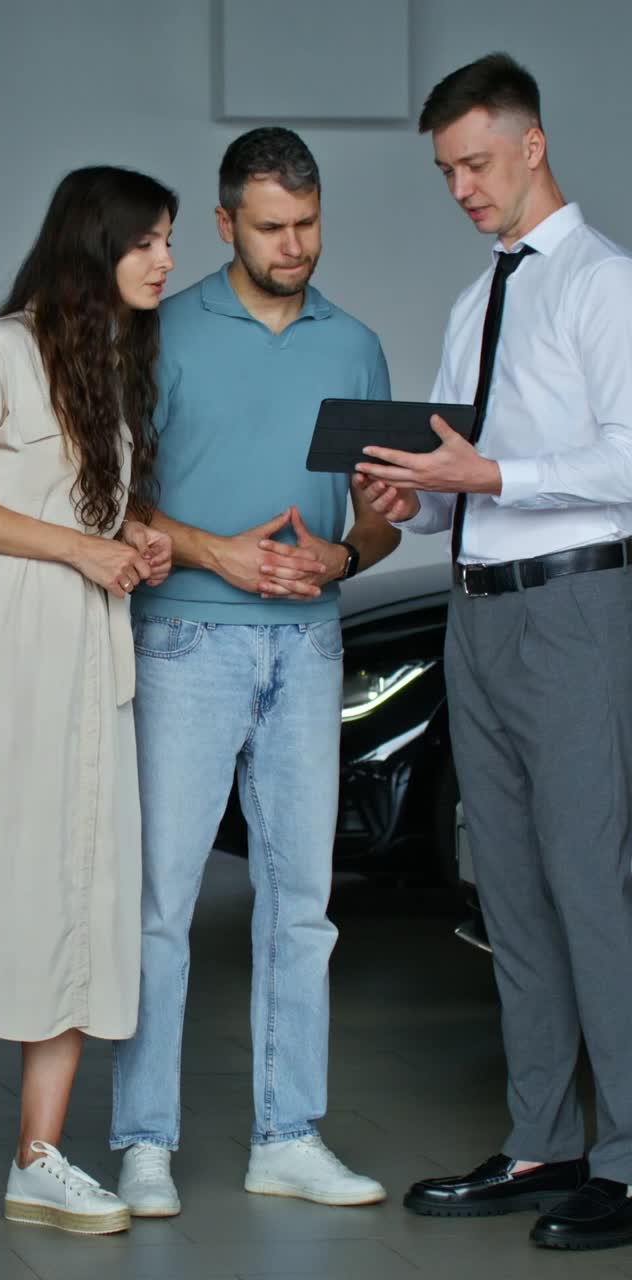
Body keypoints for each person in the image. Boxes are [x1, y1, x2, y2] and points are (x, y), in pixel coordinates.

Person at [355, 52, 632, 1252]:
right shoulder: (479, 302)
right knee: (506, 888)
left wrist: (496, 474)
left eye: (475, 162)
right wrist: (413, 493)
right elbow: (455, 462)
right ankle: (542, 1138)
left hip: (576, 610)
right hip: (479, 610)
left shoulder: (606, 285)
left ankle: (626, 1156)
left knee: (591, 885)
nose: (461, 187)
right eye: (446, 171)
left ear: (530, 145)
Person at [111, 127, 398, 1214]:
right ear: (224, 224)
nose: (295, 245)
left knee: (303, 901)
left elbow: (378, 519)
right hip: (187, 636)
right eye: (272, 227)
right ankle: (144, 1140)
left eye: (308, 225)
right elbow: (110, 501)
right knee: (161, 902)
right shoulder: (160, 334)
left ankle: (288, 1131)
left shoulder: (354, 344)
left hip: (311, 639)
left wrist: (343, 553)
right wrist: (214, 547)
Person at [0, 165, 176, 1234]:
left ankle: (38, 1156)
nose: (164, 260)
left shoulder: (107, 362)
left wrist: (131, 542)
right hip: (13, 648)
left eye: (169, 241)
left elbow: (83, 511)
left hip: (88, 654)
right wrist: (80, 546)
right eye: (146, 240)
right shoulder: (4, 349)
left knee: (83, 888)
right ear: (93, 242)